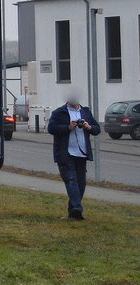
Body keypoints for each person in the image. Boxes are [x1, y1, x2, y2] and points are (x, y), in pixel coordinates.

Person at [46, 90, 101, 220]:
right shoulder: (59, 112)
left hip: (81, 153)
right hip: (66, 153)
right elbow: (51, 129)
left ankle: (73, 212)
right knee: (71, 180)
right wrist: (68, 127)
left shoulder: (85, 112)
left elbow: (97, 129)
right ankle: (78, 208)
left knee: (81, 184)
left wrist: (89, 127)